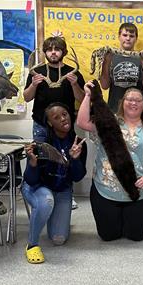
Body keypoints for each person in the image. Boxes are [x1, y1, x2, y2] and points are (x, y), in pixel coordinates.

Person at [76, 86, 143, 242]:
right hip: (106, 190)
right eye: (129, 99)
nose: (133, 103)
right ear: (122, 102)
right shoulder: (108, 122)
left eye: (138, 100)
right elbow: (82, 122)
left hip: (140, 191)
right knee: (108, 236)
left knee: (136, 236)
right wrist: (87, 95)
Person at [22, 103, 87, 264]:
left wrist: (74, 159)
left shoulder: (79, 143)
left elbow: (77, 177)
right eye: (57, 117)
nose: (63, 119)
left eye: (65, 114)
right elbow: (31, 180)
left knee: (59, 239)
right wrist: (33, 164)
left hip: (62, 190)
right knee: (46, 201)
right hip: (38, 187)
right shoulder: (41, 144)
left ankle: (52, 215)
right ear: (50, 123)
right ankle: (32, 245)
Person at [23, 35, 85, 143]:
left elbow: (83, 99)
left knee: (66, 153)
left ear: (63, 52)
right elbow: (27, 98)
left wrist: (75, 84)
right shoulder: (36, 72)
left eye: (57, 49)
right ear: (45, 52)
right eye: (49, 50)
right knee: (41, 153)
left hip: (64, 124)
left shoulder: (73, 73)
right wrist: (33, 85)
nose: (53, 53)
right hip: (41, 124)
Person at [98, 23, 143, 112]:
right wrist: (106, 62)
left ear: (136, 38)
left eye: (131, 36)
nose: (128, 38)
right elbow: (104, 86)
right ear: (119, 36)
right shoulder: (110, 57)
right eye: (125, 35)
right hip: (115, 110)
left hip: (138, 112)